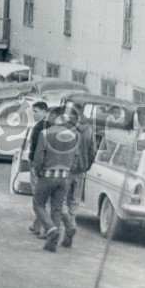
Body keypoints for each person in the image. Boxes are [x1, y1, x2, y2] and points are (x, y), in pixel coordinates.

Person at [32, 110, 80, 252]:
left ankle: (51, 230)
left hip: (47, 175)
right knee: (57, 208)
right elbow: (76, 157)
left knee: (38, 204)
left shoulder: (45, 134)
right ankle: (53, 242)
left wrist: (38, 170)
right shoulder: (73, 136)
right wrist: (68, 170)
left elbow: (39, 156)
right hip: (64, 176)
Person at [62, 103, 97, 248]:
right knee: (73, 204)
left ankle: (69, 226)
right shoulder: (89, 129)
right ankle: (67, 237)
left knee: (59, 202)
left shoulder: (66, 127)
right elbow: (93, 151)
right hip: (81, 171)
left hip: (65, 170)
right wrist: (86, 166)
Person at [24, 100, 50, 236]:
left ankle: (43, 226)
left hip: (37, 164)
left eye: (36, 111)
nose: (33, 114)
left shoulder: (40, 126)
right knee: (43, 197)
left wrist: (35, 165)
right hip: (48, 165)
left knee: (38, 197)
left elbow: (36, 149)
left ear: (44, 112)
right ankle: (37, 225)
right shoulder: (52, 125)